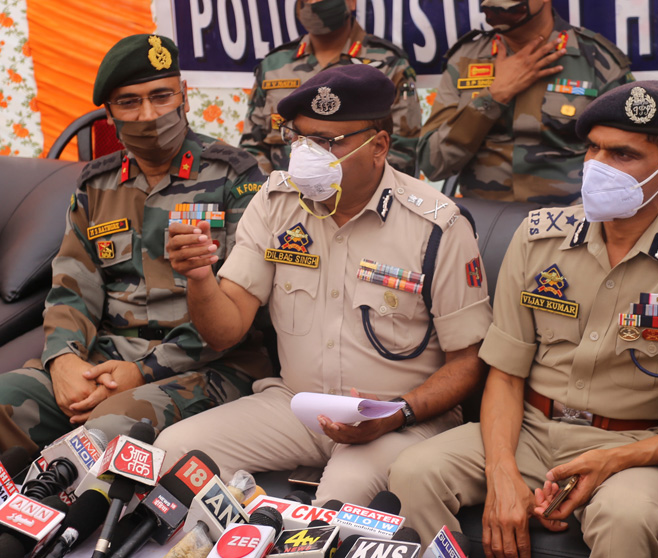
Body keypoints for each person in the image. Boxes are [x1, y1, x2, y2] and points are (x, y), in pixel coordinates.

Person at [389, 81, 658, 557]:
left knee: (627, 518)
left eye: (622, 155)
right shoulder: (538, 237)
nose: (596, 167)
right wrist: (502, 470)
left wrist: (616, 459)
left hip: (631, 442)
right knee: (413, 472)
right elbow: (505, 374)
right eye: (593, 148)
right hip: (526, 427)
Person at [155, 64, 492, 504]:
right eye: (301, 138)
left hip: (399, 417)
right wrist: (199, 279)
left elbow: (467, 362)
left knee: (340, 496)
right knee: (172, 454)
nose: (309, 154)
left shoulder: (437, 224)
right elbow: (224, 330)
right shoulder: (276, 202)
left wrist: (395, 414)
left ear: (379, 146)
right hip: (298, 406)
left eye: (329, 142)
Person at [0, 34, 270, 456]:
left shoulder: (236, 177)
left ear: (184, 95)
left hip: (209, 366)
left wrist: (143, 371)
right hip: (107, 360)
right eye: (129, 102)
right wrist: (63, 360)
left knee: (107, 431)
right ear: (108, 114)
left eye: (161, 96)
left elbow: (239, 316)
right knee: (6, 397)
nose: (149, 115)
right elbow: (71, 290)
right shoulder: (97, 185)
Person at [419, 0, 632, 204]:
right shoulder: (464, 59)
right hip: (484, 223)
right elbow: (433, 164)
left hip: (568, 223)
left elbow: (628, 162)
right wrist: (493, 97)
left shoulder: (598, 62)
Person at [240, 0, 421, 176]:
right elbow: (252, 147)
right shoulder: (274, 65)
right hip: (285, 197)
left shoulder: (389, 64)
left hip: (360, 198)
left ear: (352, 2)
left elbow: (403, 149)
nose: (315, 4)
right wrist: (277, 192)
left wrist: (357, 193)